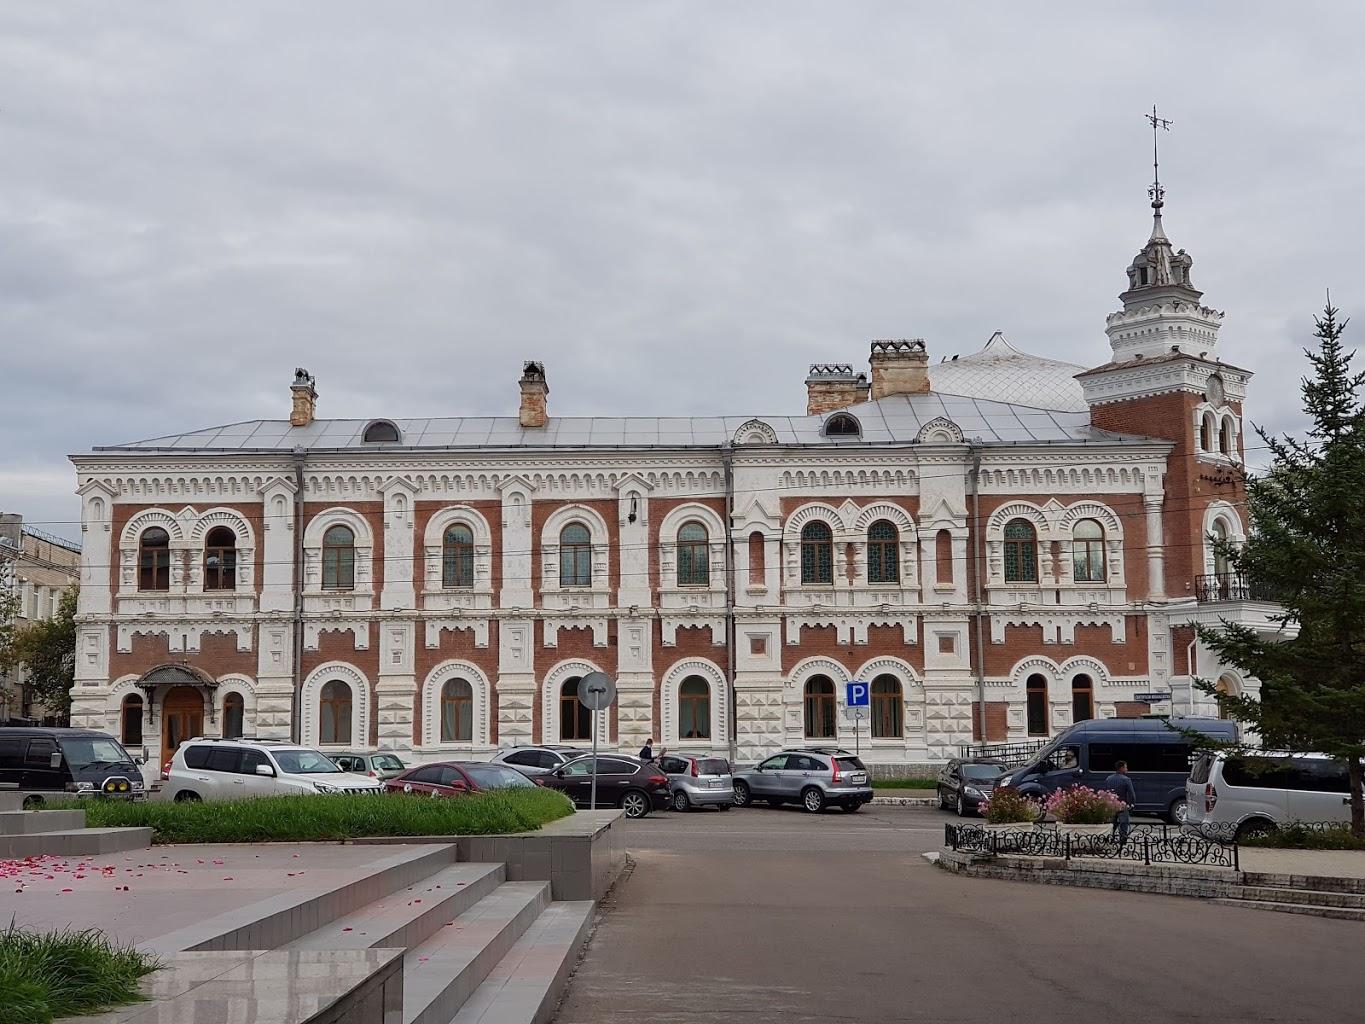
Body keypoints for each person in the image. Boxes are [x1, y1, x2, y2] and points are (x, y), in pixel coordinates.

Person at [1105, 760, 1137, 843]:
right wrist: (1132, 804)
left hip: (1111, 805)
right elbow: (1132, 794)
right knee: (1124, 823)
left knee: (1111, 824)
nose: (1127, 769)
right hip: (1122, 805)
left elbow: (1107, 792)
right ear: (1121, 768)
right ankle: (1122, 840)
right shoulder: (1126, 779)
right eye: (1126, 767)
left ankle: (1110, 838)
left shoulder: (1109, 778)